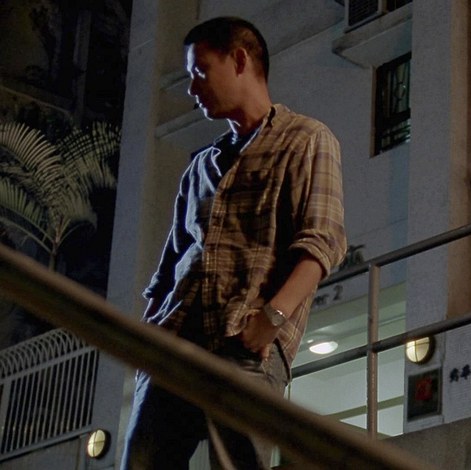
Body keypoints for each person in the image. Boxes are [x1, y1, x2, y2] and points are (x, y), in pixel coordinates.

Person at [122, 16, 347, 469]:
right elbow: (169, 267)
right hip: (175, 345)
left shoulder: (305, 139)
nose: (193, 88)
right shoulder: (200, 166)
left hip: (244, 343)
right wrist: (150, 335)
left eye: (200, 71)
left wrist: (270, 320)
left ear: (240, 60)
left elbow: (322, 242)